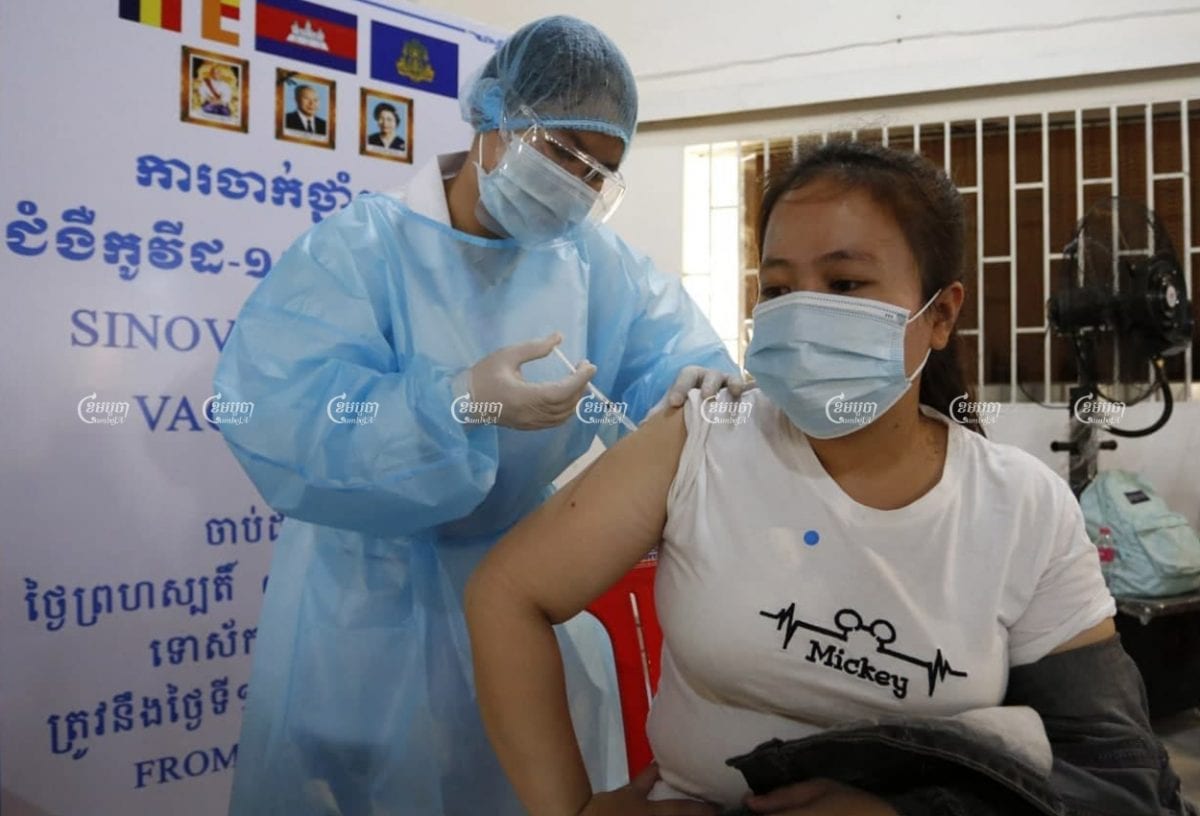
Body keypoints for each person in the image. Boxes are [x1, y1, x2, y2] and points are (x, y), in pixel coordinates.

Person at [466, 141, 1195, 815]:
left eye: (845, 282)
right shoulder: (700, 440)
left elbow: (1113, 769)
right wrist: (575, 809)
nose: (804, 313)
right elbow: (508, 593)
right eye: (779, 288)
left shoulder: (1020, 506)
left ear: (940, 314)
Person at [214, 14, 745, 816]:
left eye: (599, 173)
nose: (576, 184)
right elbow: (282, 415)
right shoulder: (360, 251)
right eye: (562, 154)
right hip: (366, 612)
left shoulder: (598, 267)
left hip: (523, 600)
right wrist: (454, 401)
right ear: (494, 114)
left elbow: (681, 379)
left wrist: (718, 409)